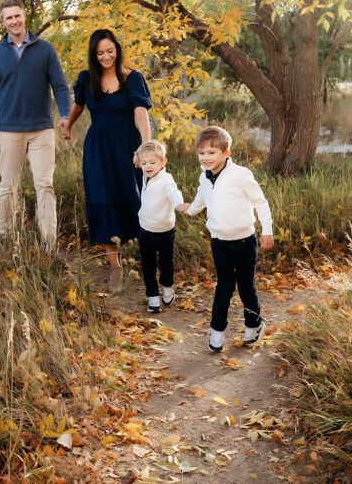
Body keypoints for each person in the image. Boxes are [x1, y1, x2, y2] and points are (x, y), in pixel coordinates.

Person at [0, 0, 71, 247]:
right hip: (9, 131)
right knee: (8, 187)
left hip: (42, 130)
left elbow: (60, 87)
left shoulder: (45, 50)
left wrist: (64, 115)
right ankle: (6, 239)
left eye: (17, 15)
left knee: (45, 186)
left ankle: (49, 244)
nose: (14, 21)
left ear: (24, 16)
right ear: (3, 21)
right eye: (9, 17)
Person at [61, 29, 151, 290]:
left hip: (128, 147)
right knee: (102, 198)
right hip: (98, 149)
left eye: (110, 51)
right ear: (93, 54)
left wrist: (145, 148)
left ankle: (148, 262)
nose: (106, 56)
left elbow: (140, 114)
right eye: (100, 53)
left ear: (117, 50)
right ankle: (115, 267)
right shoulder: (87, 78)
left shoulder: (132, 78)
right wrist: (69, 124)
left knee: (138, 199)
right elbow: (79, 104)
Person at [177, 126, 274, 353]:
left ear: (226, 152)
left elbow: (261, 202)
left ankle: (253, 325)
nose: (205, 158)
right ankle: (217, 331)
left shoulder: (241, 175)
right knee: (224, 287)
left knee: (245, 286)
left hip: (244, 241)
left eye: (211, 152)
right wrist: (188, 209)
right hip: (219, 241)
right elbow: (201, 201)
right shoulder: (204, 177)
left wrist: (267, 231)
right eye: (201, 153)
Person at [135, 140, 183, 313]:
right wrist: (138, 157)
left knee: (165, 264)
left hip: (165, 232)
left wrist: (179, 204)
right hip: (145, 229)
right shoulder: (145, 174)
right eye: (144, 163)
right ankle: (153, 296)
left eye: (153, 162)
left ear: (163, 163)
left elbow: (173, 192)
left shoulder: (166, 180)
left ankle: (168, 287)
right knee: (147, 265)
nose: (148, 166)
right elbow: (142, 157)